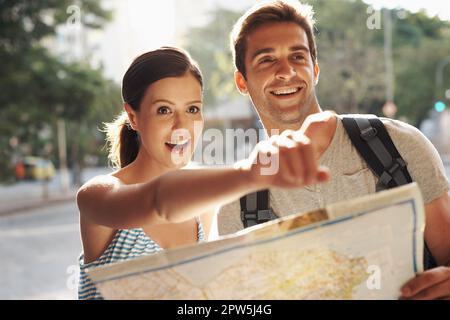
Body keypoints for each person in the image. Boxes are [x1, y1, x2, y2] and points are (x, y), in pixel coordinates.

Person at [218, 0, 450, 300]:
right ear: (241, 81)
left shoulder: (399, 146)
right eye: (266, 60)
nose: (286, 71)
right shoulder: (236, 204)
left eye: (297, 56)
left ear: (314, 70)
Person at [76, 46, 329, 299]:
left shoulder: (204, 206)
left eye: (192, 109)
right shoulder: (96, 195)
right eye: (164, 110)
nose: (182, 126)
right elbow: (157, 201)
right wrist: (251, 174)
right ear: (133, 117)